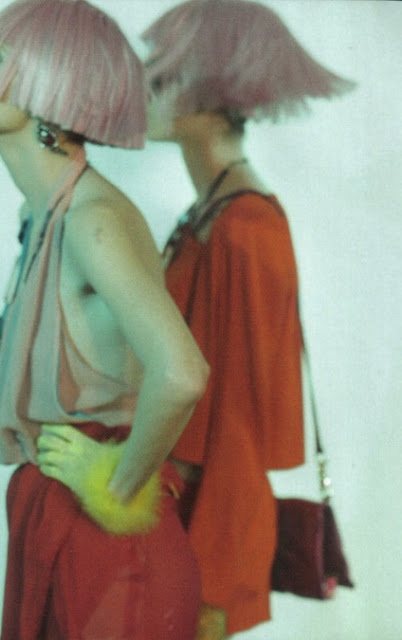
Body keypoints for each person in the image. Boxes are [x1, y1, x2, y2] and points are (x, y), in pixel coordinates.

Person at [0, 1, 209, 638]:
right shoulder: (42, 213)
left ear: (51, 87)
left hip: (107, 557)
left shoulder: (91, 223)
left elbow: (182, 373)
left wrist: (114, 486)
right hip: (57, 525)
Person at [142, 1, 355, 638]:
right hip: (175, 514)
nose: (144, 85)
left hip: (209, 532)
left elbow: (242, 423)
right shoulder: (210, 213)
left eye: (164, 74)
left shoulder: (246, 227)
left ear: (215, 92)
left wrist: (208, 579)